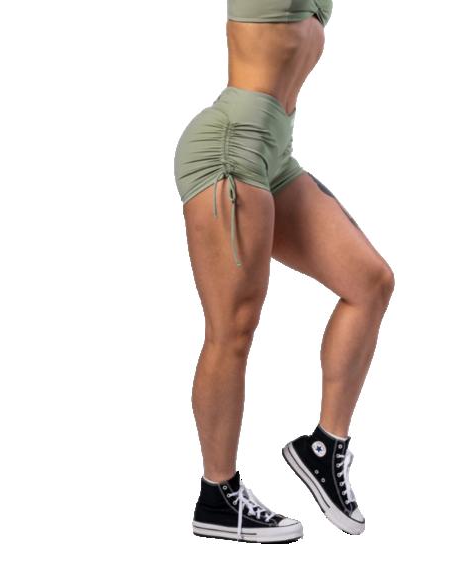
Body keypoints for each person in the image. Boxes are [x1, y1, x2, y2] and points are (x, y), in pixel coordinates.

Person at [173, 0, 394, 543]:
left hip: (274, 154)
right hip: (229, 149)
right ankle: (218, 494)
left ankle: (323, 447)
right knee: (233, 328)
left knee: (370, 282)